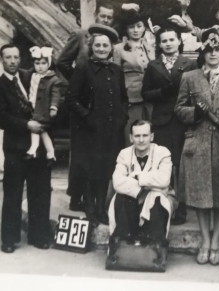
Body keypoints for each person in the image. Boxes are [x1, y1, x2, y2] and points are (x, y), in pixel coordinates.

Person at [175, 29, 219, 266]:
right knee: (200, 196)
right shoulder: (190, 77)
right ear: (203, 52)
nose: (213, 54)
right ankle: (205, 241)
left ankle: (216, 241)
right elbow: (179, 108)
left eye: (217, 49)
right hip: (198, 142)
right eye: (209, 50)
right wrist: (195, 112)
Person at [0, 44, 53, 253]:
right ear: (1, 60)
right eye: (8, 57)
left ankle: (39, 235)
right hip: (16, 147)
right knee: (13, 194)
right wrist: (27, 125)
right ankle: (9, 239)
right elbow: (1, 118)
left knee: (41, 192)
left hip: (38, 147)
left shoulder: (30, 77)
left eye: (16, 57)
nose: (13, 61)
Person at [66, 25, 129, 226]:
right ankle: (90, 207)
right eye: (98, 45)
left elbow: (123, 98)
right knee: (89, 169)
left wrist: (122, 118)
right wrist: (88, 116)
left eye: (105, 46)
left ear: (111, 48)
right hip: (89, 130)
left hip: (111, 130)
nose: (101, 49)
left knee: (105, 168)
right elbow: (72, 99)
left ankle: (101, 207)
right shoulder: (83, 68)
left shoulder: (117, 70)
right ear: (92, 47)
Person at [57, 3, 115, 212]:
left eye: (110, 18)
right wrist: (79, 82)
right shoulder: (81, 35)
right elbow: (62, 62)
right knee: (80, 154)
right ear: (96, 15)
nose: (106, 20)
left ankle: (92, 199)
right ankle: (75, 197)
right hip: (81, 102)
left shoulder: (109, 42)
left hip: (98, 104)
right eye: (103, 16)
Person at [141, 27, 197, 225]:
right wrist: (163, 91)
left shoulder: (190, 64)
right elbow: (145, 93)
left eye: (172, 39)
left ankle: (181, 207)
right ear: (159, 44)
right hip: (162, 121)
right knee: (165, 163)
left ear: (179, 41)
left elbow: (195, 91)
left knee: (182, 164)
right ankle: (163, 205)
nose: (168, 44)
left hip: (183, 121)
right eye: (164, 41)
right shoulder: (153, 65)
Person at [108, 120, 175, 248]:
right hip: (134, 197)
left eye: (145, 135)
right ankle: (123, 245)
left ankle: (155, 249)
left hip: (161, 198)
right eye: (137, 136)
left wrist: (137, 177)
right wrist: (143, 190)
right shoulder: (124, 154)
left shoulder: (163, 152)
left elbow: (164, 180)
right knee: (121, 198)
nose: (141, 140)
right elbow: (117, 182)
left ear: (152, 136)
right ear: (131, 138)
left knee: (157, 199)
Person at [113, 11, 155, 145]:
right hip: (131, 100)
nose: (136, 30)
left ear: (144, 28)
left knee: (150, 136)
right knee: (132, 138)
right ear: (126, 29)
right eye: (131, 27)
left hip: (149, 100)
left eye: (139, 26)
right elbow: (115, 76)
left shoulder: (151, 47)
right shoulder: (118, 49)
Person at [26, 46, 65, 163]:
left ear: (48, 64)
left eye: (43, 63)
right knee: (42, 131)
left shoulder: (53, 79)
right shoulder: (33, 76)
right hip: (33, 107)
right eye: (37, 63)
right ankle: (51, 153)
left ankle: (33, 150)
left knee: (36, 129)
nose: (40, 66)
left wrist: (53, 107)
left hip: (43, 110)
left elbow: (56, 94)